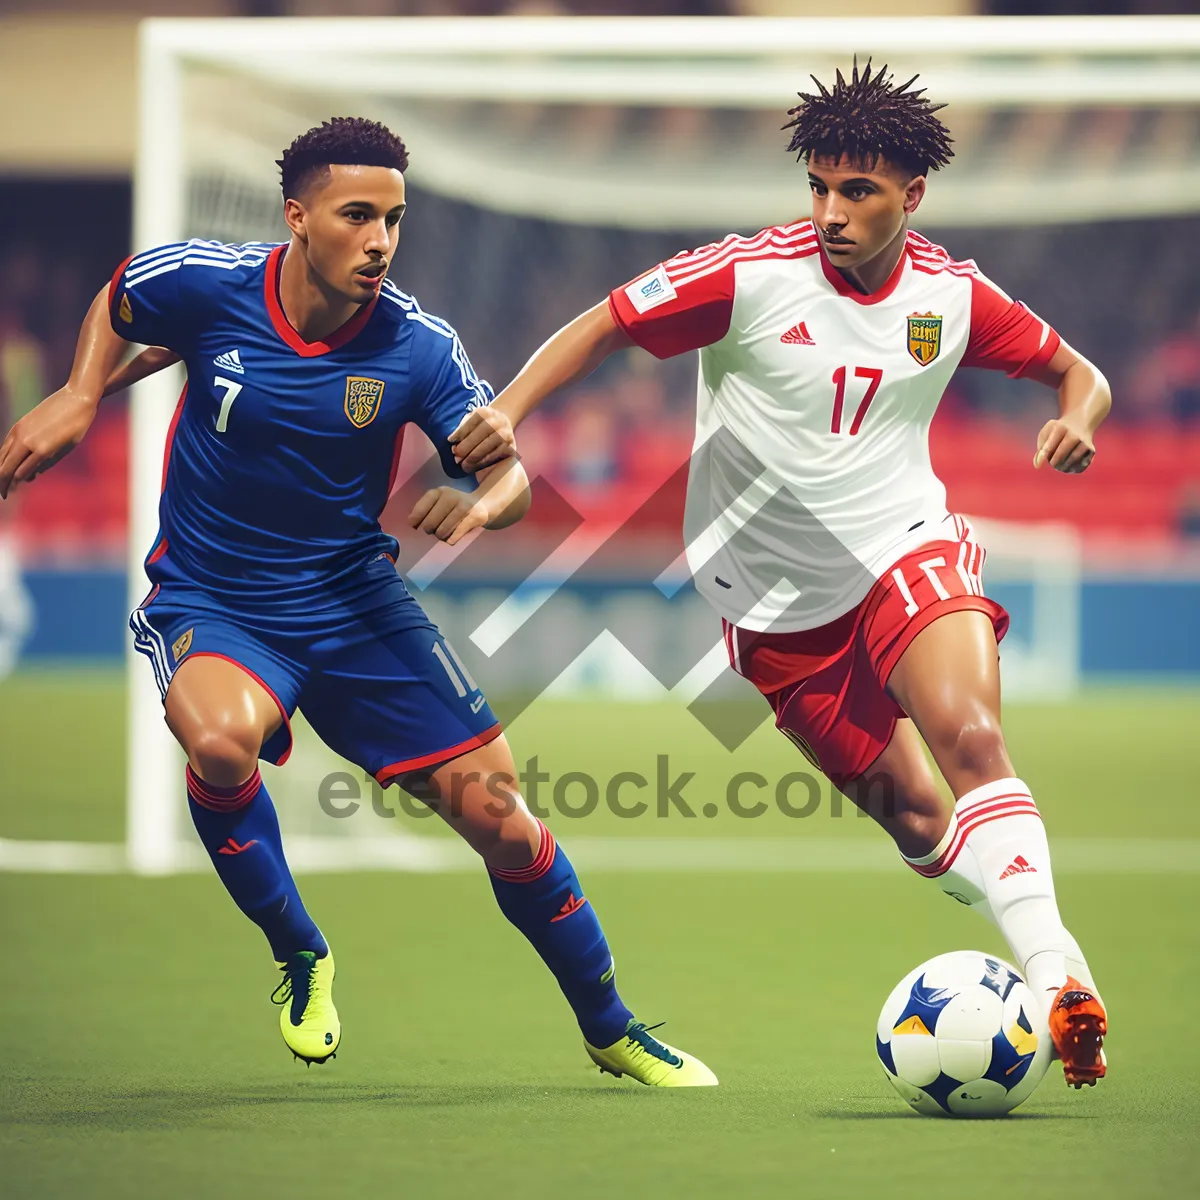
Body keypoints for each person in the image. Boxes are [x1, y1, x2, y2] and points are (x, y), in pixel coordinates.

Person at [0, 118, 714, 1087]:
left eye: (394, 219)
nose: (380, 239)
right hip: (217, 597)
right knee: (217, 741)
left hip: (354, 602)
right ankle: (301, 952)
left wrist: (482, 503)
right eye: (357, 215)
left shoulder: (417, 346)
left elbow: (507, 474)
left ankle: (612, 1025)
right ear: (298, 217)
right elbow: (122, 299)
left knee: (503, 817)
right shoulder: (210, 282)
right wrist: (81, 392)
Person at [449, 63, 1111, 1088]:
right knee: (922, 823)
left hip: (903, 543)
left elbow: (1082, 372)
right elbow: (607, 322)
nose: (832, 213)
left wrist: (1078, 415)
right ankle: (1039, 940)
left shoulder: (952, 293)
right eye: (820, 187)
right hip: (767, 604)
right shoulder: (749, 274)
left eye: (859, 192)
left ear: (912, 196)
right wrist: (509, 410)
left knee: (973, 736)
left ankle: (1061, 977)